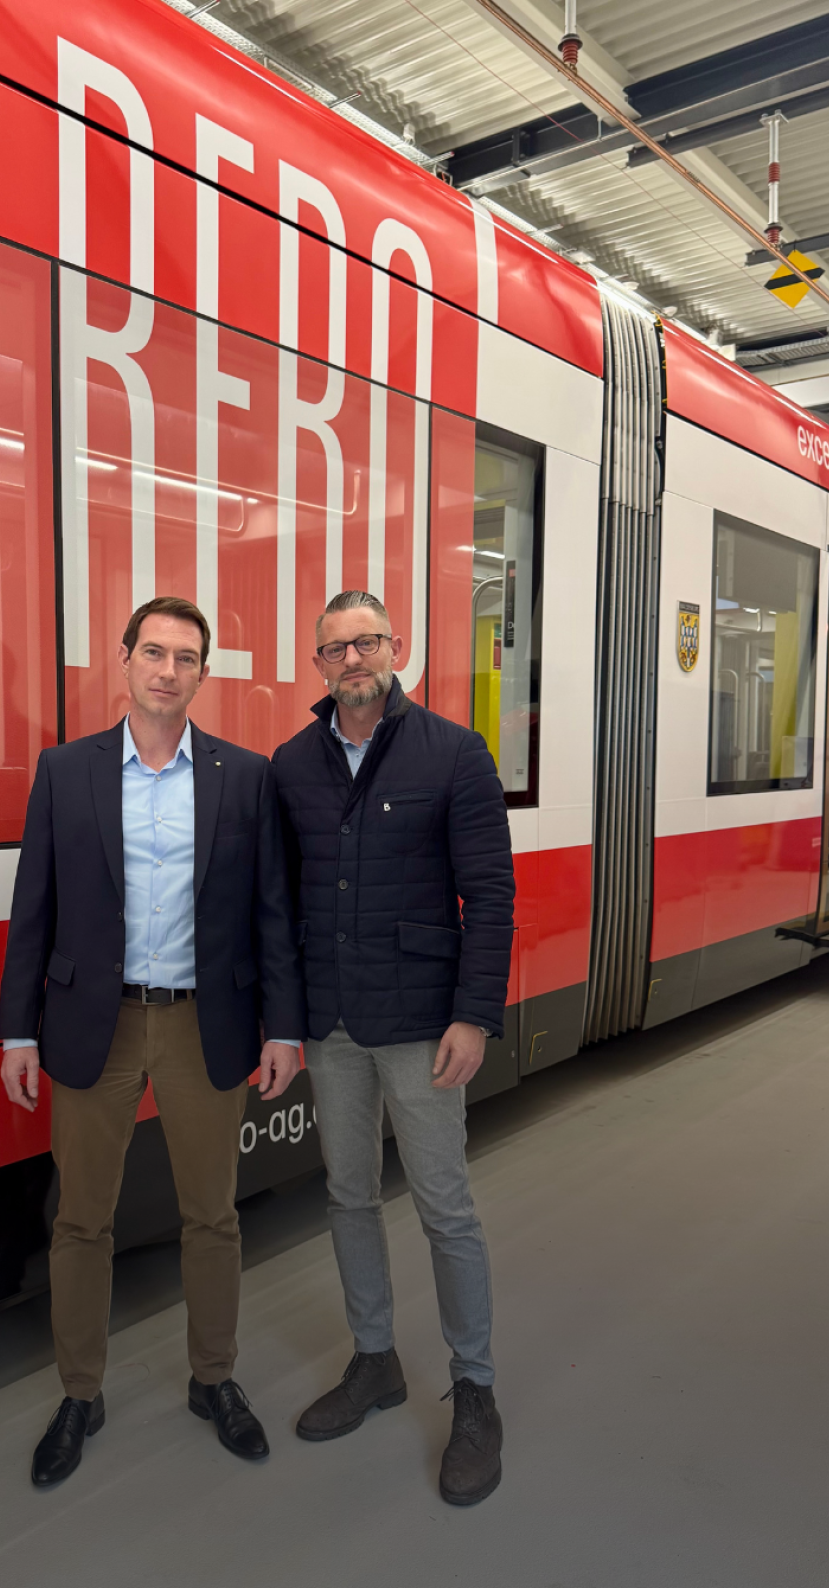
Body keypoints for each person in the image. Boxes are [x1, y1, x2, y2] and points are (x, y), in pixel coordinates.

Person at [0, 596, 305, 1487]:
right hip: (94, 1024)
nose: (169, 671)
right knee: (81, 1219)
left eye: (187, 657)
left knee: (212, 1215)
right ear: (124, 660)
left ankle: (214, 1379)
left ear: (204, 673)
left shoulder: (246, 777)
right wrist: (17, 1029)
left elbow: (272, 913)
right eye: (155, 653)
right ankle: (80, 1393)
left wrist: (283, 1026)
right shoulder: (67, 771)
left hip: (207, 1023)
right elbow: (33, 906)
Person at [270, 590, 515, 1506]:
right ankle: (375, 1360)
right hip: (331, 1024)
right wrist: (283, 1021)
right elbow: (279, 904)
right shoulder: (291, 764)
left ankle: (476, 1390)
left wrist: (473, 1015)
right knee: (348, 1195)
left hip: (421, 1024)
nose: (353, 659)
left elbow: (490, 895)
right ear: (318, 664)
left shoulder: (454, 752)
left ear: (395, 647)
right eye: (335, 648)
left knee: (445, 1207)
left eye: (366, 642)